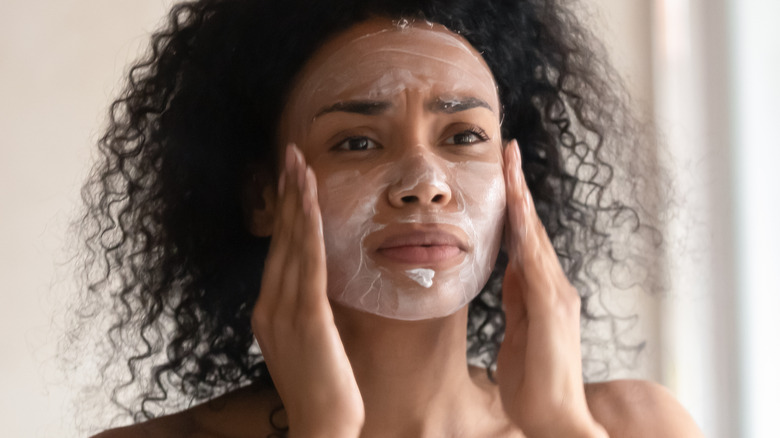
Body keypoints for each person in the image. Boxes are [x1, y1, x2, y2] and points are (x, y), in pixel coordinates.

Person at [78, 0, 702, 436]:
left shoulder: (634, 428)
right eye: (357, 142)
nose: (425, 185)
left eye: (463, 136)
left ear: (519, 182)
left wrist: (560, 427)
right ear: (262, 196)